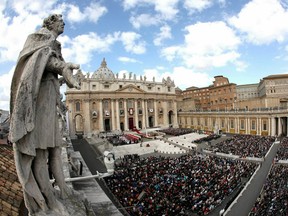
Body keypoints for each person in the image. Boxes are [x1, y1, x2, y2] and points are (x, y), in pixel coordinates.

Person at [9, 14, 80, 215]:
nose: (64, 23)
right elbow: (46, 63)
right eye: (60, 20)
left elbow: (51, 72)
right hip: (39, 103)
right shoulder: (40, 38)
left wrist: (65, 77)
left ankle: (63, 190)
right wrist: (65, 69)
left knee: (55, 149)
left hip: (50, 97)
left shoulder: (55, 43)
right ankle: (47, 200)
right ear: (50, 23)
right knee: (40, 153)